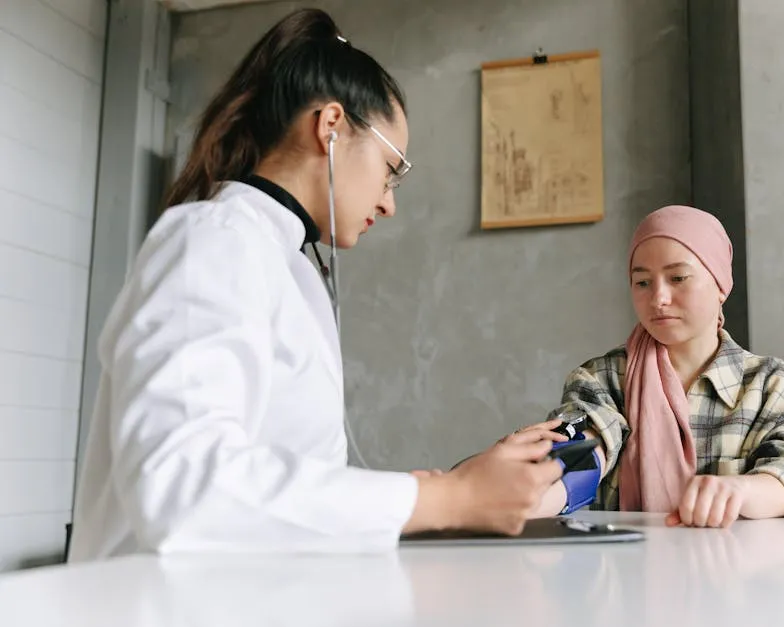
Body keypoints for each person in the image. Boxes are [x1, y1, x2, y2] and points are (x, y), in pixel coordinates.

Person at [67, 8, 563, 561]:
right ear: (330, 126)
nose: (389, 201)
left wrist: (460, 489)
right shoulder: (214, 239)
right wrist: (444, 498)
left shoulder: (292, 267)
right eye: (391, 167)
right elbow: (184, 490)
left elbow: (289, 496)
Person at [525, 205, 784, 527]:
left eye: (678, 278)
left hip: (739, 573)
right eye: (642, 282)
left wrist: (741, 491)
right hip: (629, 570)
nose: (659, 298)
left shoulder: (772, 386)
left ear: (720, 285)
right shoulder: (601, 379)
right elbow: (585, 442)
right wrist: (532, 497)